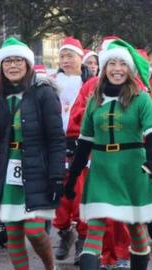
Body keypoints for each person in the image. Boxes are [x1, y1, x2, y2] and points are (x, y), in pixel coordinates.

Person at [65, 39, 152, 270]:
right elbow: (84, 141)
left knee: (134, 226)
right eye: (112, 63)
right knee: (96, 226)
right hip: (101, 167)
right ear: (105, 68)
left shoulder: (141, 98)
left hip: (132, 167)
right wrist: (73, 175)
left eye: (122, 64)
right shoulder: (95, 99)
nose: (117, 69)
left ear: (129, 69)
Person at [0, 37, 66, 270]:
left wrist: (57, 174)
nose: (12, 65)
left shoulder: (43, 92)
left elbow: (56, 137)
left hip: (36, 167)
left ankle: (50, 267)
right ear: (1, 66)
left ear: (28, 64)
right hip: (7, 166)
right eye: (7, 61)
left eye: (18, 60)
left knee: (33, 229)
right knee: (13, 233)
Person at [51, 36, 94, 265]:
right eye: (62, 56)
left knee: (80, 193)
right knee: (58, 195)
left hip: (81, 144)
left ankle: (83, 239)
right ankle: (64, 231)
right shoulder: (50, 83)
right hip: (57, 144)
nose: (65, 60)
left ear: (80, 58)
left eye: (70, 56)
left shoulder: (90, 83)